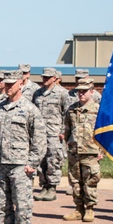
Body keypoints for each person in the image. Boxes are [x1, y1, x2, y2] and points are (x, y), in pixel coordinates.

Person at [0, 72, 44, 224]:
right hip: (1, 163)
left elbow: (39, 139)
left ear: (20, 84)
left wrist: (33, 163)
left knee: (22, 202)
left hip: (21, 165)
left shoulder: (30, 109)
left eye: (12, 83)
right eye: (6, 83)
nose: (8, 87)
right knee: (2, 203)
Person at [62, 78, 101, 222]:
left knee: (90, 180)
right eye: (79, 91)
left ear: (92, 91)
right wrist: (69, 145)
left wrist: (101, 150)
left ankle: (90, 209)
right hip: (74, 151)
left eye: (84, 91)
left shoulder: (98, 110)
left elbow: (103, 133)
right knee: (75, 181)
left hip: (91, 150)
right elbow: (67, 129)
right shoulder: (71, 109)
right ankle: (79, 209)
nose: (81, 94)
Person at [32, 66, 70, 201]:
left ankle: (52, 187)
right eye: (44, 77)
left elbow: (67, 114)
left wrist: (63, 131)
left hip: (54, 133)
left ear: (55, 78)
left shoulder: (62, 93)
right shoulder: (37, 93)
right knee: (41, 159)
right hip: (39, 133)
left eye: (48, 77)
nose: (45, 79)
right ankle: (44, 186)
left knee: (53, 159)